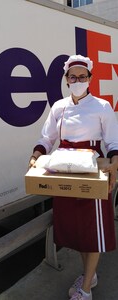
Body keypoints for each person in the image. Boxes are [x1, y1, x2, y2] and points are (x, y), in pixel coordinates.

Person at [29, 55, 118, 300]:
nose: (77, 81)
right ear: (66, 80)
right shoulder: (59, 106)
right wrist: (36, 154)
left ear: (90, 79)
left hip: (92, 166)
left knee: (93, 227)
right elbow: (47, 138)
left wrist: (114, 164)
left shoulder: (102, 106)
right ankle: (91, 274)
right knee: (79, 229)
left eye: (82, 77)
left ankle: (86, 288)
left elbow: (112, 140)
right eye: (72, 77)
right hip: (65, 166)